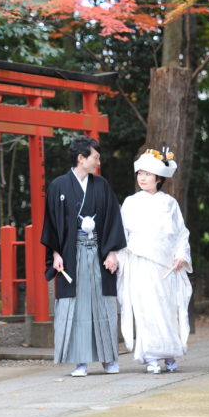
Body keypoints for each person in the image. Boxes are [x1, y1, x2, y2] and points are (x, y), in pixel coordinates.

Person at [40, 135, 126, 377]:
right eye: (95, 157)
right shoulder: (58, 186)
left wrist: (111, 252)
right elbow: (52, 224)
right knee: (75, 307)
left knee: (102, 303)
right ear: (81, 158)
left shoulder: (102, 186)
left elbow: (112, 219)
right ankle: (80, 361)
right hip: (71, 254)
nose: (98, 161)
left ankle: (109, 359)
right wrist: (55, 253)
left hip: (98, 253)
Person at [117, 148, 193, 374]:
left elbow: (181, 233)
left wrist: (181, 255)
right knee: (146, 309)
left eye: (147, 174)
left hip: (166, 265)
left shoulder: (169, 203)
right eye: (140, 173)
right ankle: (150, 356)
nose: (142, 178)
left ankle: (169, 353)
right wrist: (120, 258)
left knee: (167, 309)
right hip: (140, 263)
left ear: (158, 178)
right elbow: (123, 234)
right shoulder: (130, 202)